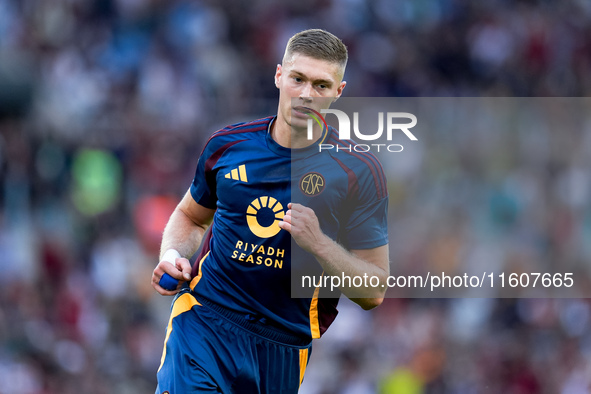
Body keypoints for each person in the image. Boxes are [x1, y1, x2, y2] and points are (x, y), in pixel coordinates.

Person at [152, 28, 390, 393]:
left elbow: (373, 291)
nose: (307, 94)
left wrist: (321, 245)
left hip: (283, 345)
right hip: (205, 321)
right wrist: (172, 253)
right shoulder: (227, 146)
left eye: (322, 85)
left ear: (338, 93)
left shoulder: (358, 173)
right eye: (298, 79)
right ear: (279, 75)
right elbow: (190, 216)